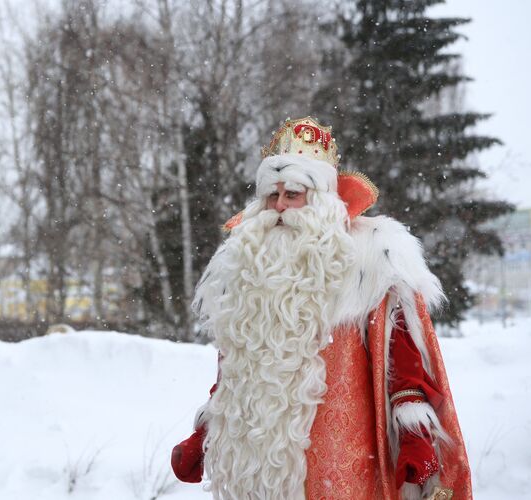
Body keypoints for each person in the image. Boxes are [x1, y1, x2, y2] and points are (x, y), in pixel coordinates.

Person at [170, 117, 471, 500]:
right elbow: (239, 371)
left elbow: (401, 358)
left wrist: (414, 433)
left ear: (322, 199)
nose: (279, 207)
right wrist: (207, 433)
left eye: (292, 194)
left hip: (342, 465)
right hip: (261, 471)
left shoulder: (370, 260)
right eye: (271, 195)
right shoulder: (248, 265)